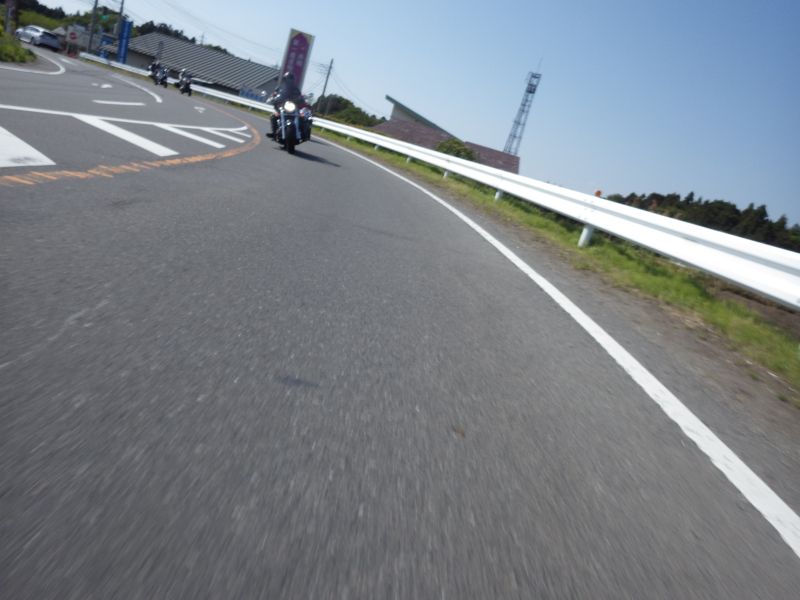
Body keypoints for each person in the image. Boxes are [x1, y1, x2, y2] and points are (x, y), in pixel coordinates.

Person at [267, 72, 304, 138]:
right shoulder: (279, 88)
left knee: (302, 117)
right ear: (284, 79)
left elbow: (300, 97)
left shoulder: (296, 89)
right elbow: (274, 95)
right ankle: (274, 133)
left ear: (293, 80)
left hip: (292, 108)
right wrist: (272, 98)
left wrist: (301, 99)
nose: (289, 80)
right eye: (287, 78)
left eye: (290, 79)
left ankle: (302, 134)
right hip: (282, 107)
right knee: (273, 116)